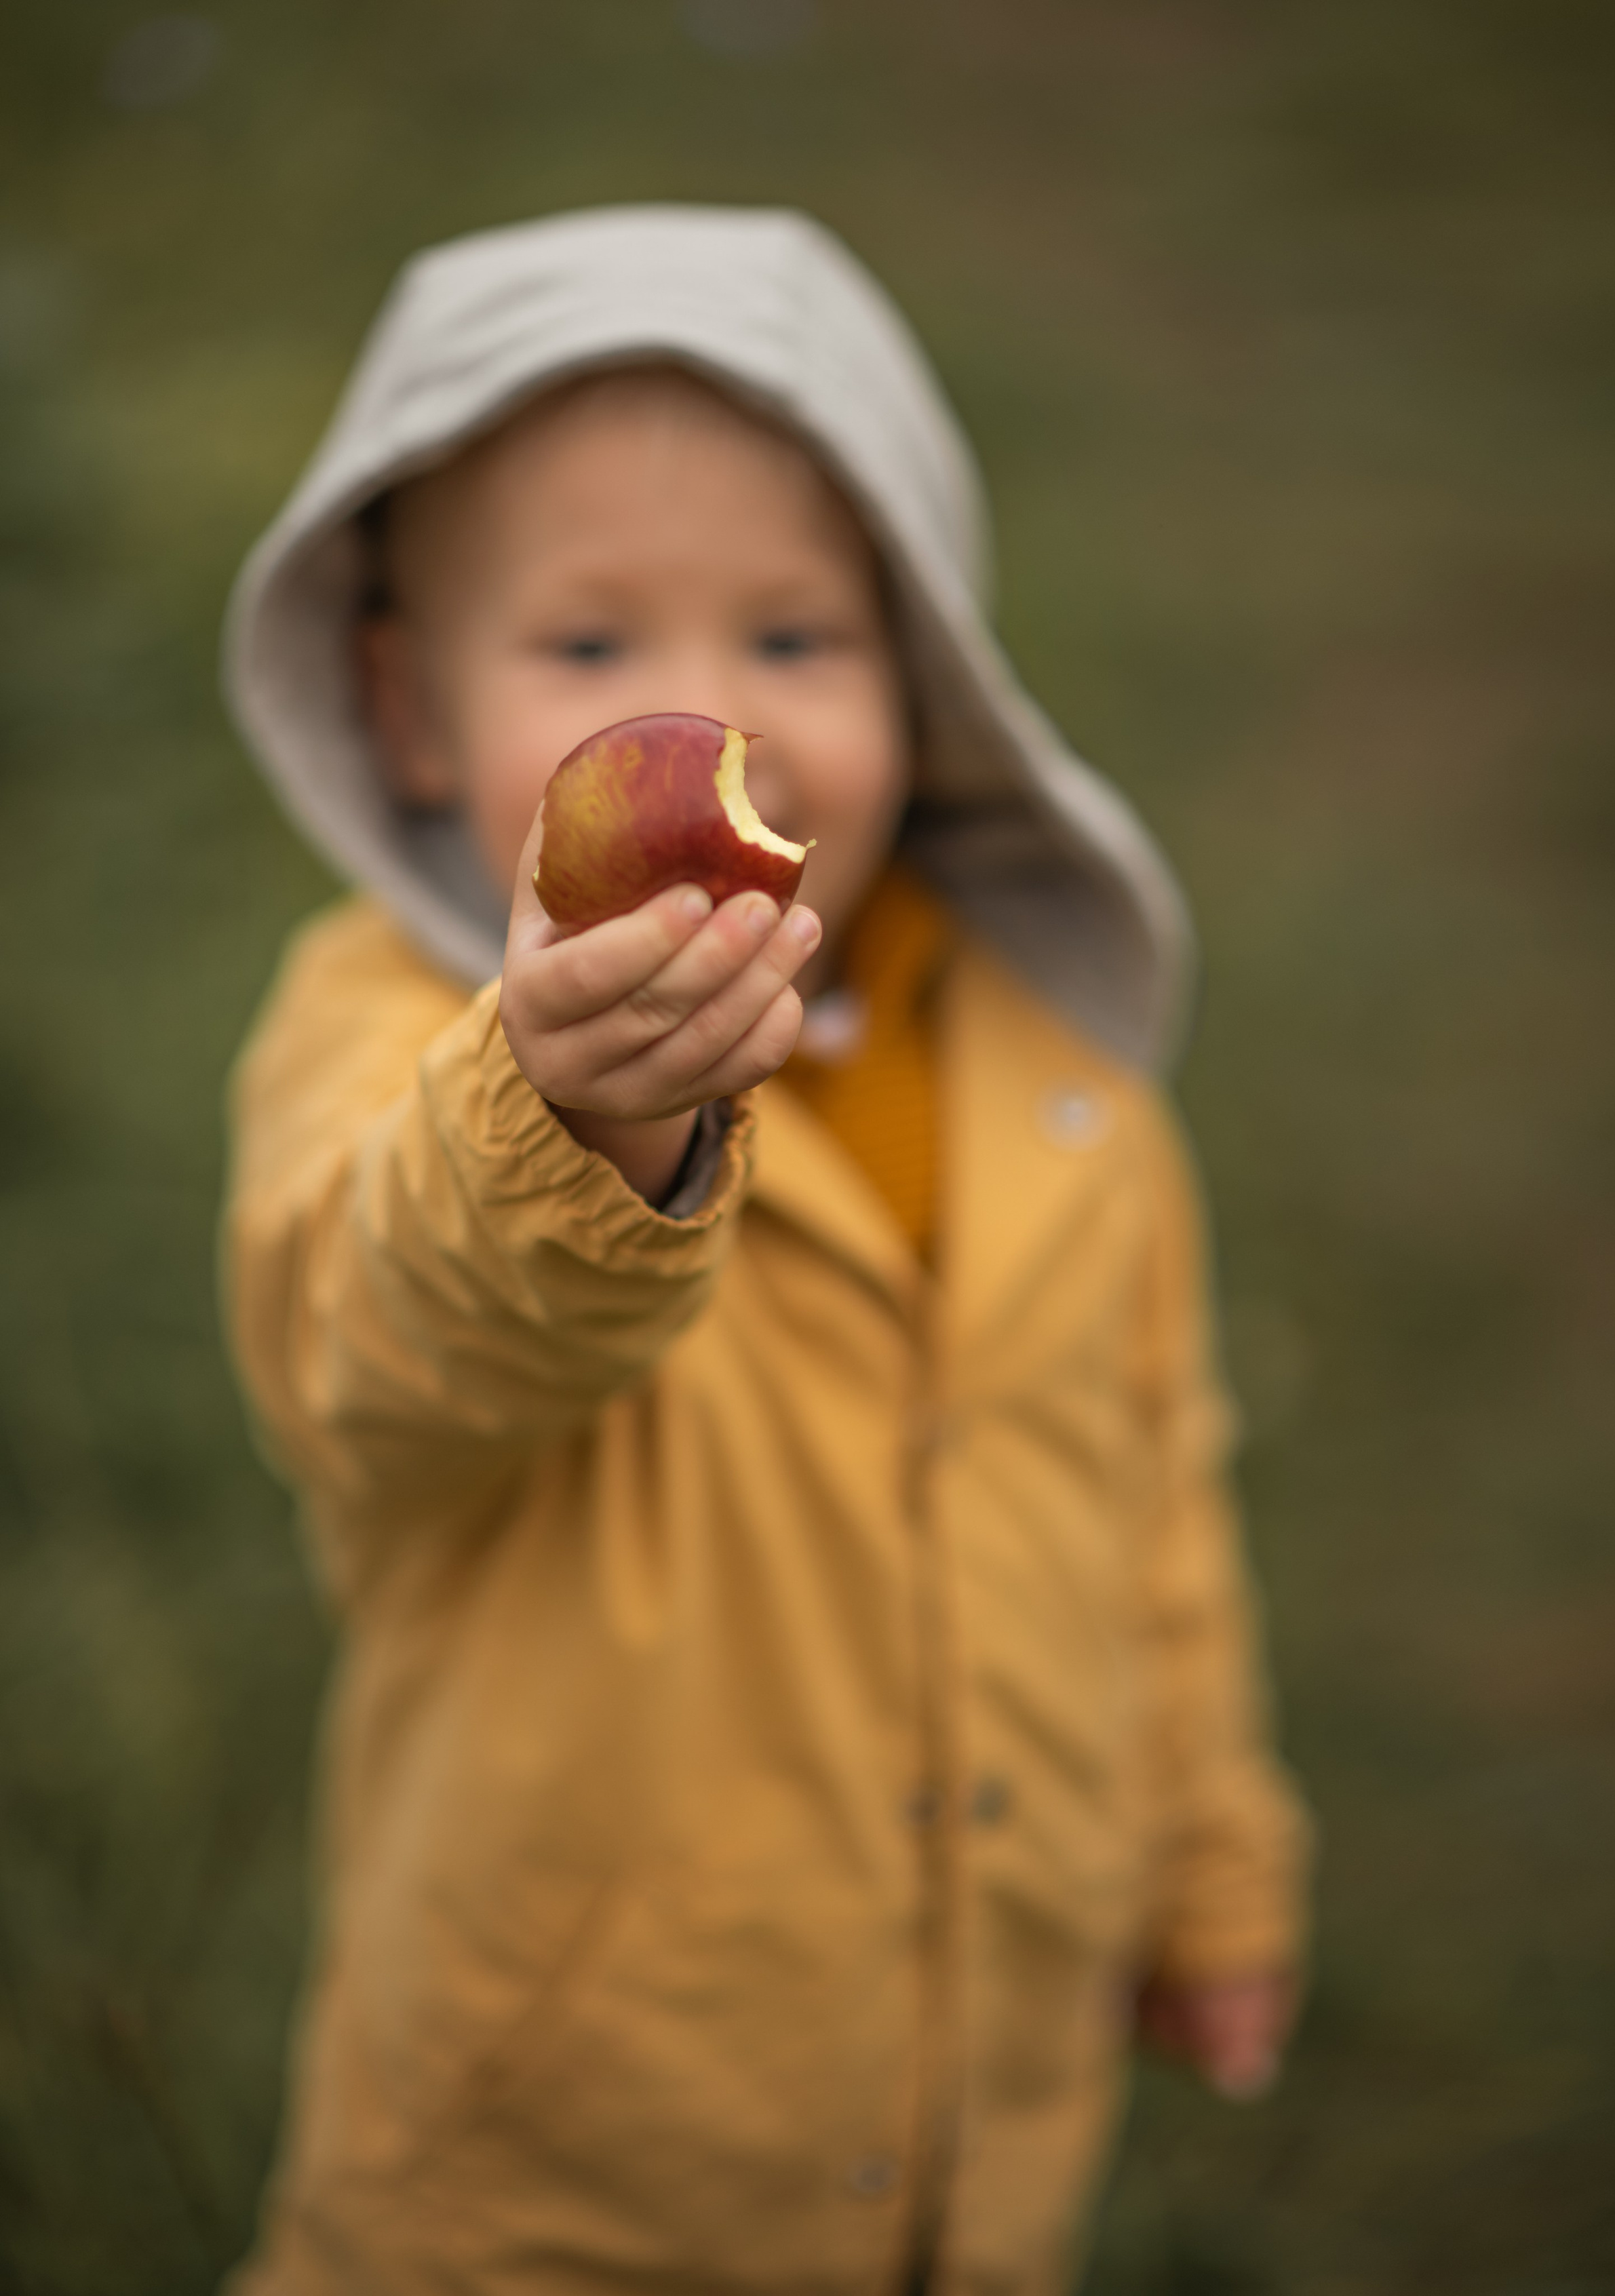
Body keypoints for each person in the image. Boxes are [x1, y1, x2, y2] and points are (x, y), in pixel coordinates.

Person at [222, 205, 1309, 2296]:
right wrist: (573, 1115)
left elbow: (1151, 1497)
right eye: (592, 646)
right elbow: (370, 1355)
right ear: (412, 708)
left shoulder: (1053, 1082)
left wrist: (1209, 1857)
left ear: (929, 677)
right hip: (549, 2185)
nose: (715, 718)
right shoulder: (379, 1039)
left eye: (798, 640)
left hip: (969, 2138)